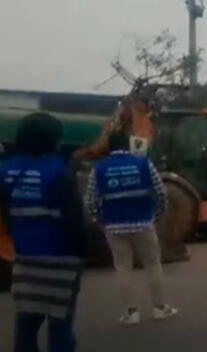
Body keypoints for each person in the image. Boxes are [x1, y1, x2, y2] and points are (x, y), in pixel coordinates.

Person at [0, 113, 86, 352]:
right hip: (62, 259)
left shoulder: (4, 169)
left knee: (26, 323)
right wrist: (83, 253)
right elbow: (74, 220)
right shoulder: (60, 171)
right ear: (52, 139)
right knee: (61, 324)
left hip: (25, 257)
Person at [85, 131, 178, 325]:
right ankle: (160, 308)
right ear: (129, 145)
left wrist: (100, 220)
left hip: (114, 226)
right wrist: (157, 214)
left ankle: (131, 313)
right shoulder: (143, 163)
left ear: (109, 147)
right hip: (143, 222)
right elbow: (161, 192)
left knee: (122, 267)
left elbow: (90, 200)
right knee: (153, 264)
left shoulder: (99, 169)